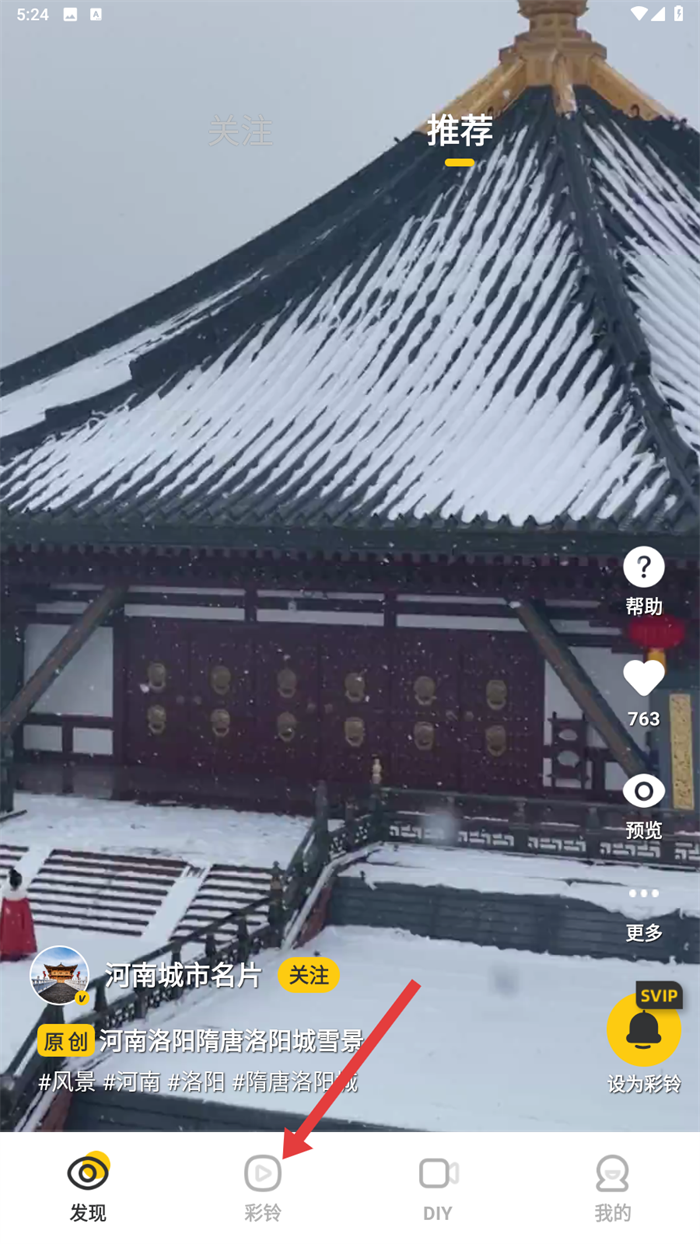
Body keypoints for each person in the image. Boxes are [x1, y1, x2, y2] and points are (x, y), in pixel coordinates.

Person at [0, 867, 37, 961]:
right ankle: (18, 950)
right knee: (18, 935)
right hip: (18, 924)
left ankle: (6, 950)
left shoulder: (6, 898)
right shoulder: (22, 899)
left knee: (7, 934)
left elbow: (3, 915)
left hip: (8, 924)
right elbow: (27, 917)